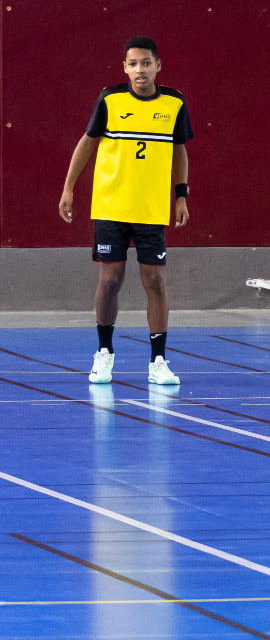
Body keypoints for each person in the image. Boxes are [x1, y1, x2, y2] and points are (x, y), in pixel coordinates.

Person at [59, 37, 193, 387]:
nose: (140, 69)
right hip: (111, 206)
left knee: (155, 282)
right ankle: (104, 353)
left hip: (151, 209)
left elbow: (179, 150)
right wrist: (68, 187)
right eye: (133, 64)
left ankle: (158, 360)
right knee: (110, 281)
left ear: (158, 66)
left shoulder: (174, 103)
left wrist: (181, 196)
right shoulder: (110, 99)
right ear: (125, 68)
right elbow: (86, 143)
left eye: (146, 63)